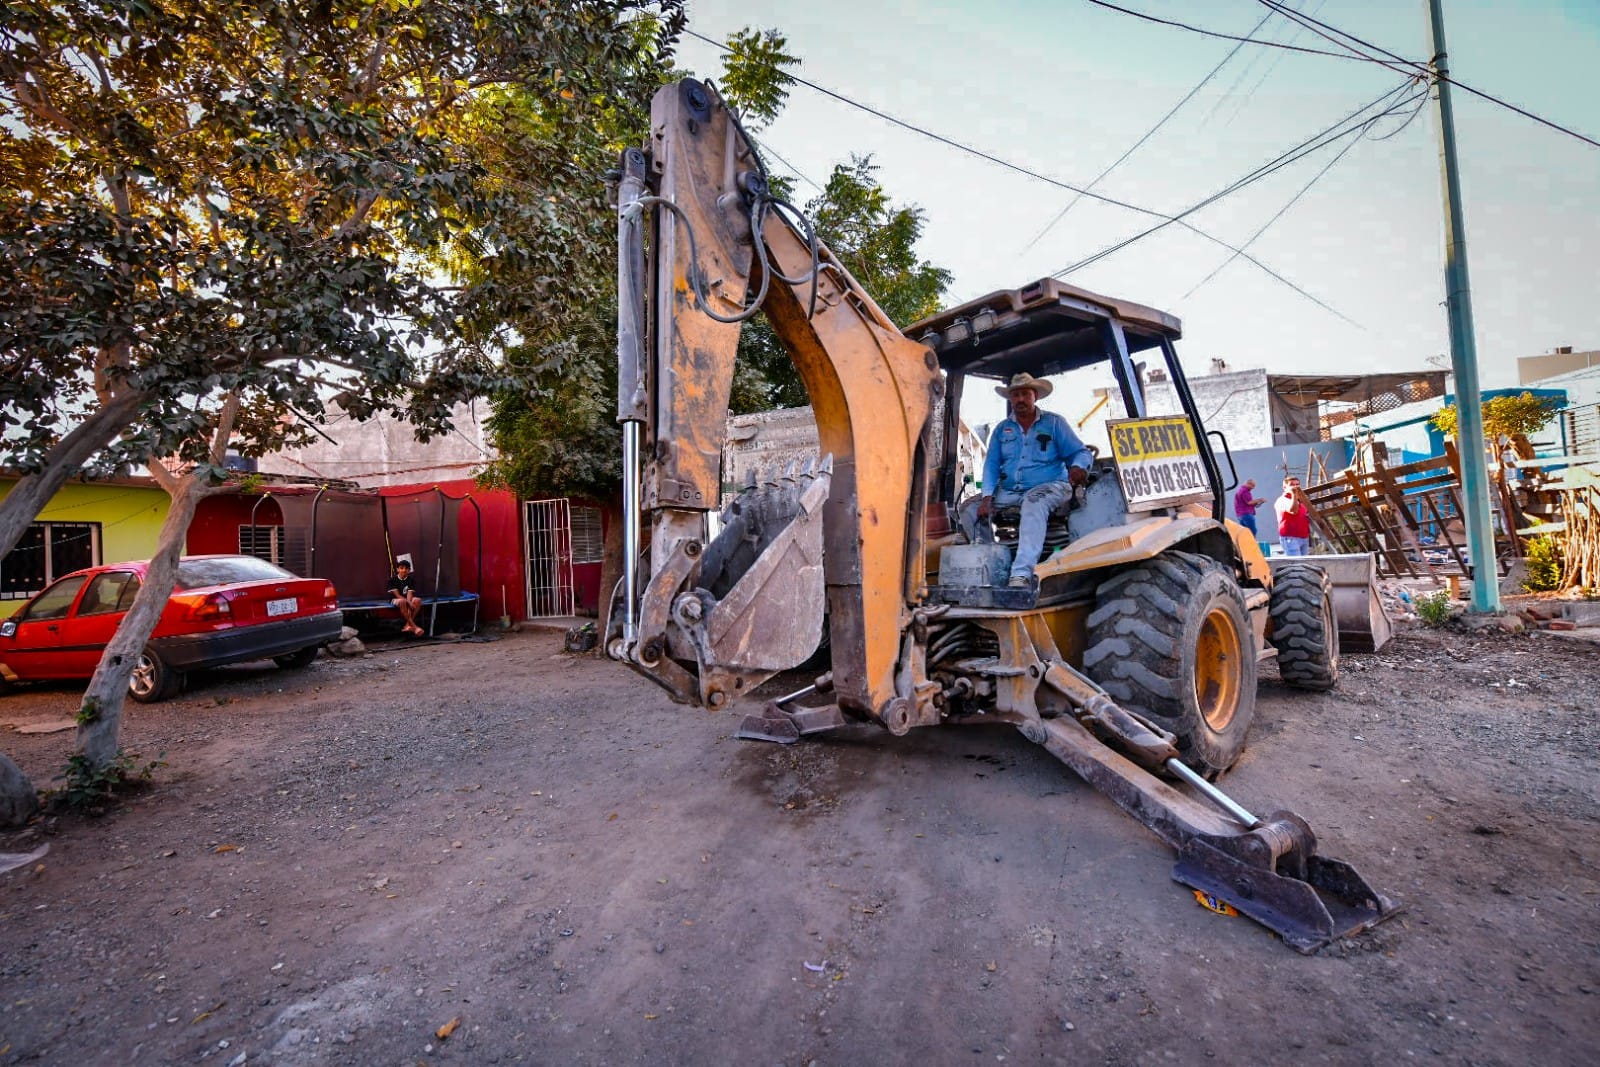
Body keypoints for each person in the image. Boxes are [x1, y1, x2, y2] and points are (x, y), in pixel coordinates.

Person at [959, 372, 1093, 588]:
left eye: (1025, 394)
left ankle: (1021, 573)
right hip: (1011, 491)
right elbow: (992, 465)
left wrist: (1078, 466)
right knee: (968, 509)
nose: (1020, 399)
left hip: (1051, 487)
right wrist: (986, 497)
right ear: (1010, 399)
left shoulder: (1054, 423)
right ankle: (993, 567)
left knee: (1033, 501)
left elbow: (1081, 452)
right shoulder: (1002, 430)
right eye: (1016, 395)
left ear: (1035, 396)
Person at [1275, 476, 1312, 557]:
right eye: (1292, 484)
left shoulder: (1301, 500)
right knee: (1296, 564)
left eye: (1297, 484)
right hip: (1291, 538)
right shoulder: (1282, 500)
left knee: (1305, 564)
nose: (1295, 487)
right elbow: (1293, 511)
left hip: (1303, 537)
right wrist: (1293, 495)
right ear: (1285, 487)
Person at [386, 559, 425, 636]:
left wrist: (409, 602)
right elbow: (397, 595)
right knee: (402, 601)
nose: (404, 570)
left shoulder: (411, 580)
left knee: (417, 600)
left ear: (409, 570)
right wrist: (409, 602)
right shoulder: (392, 580)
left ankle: (407, 625)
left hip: (406, 599)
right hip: (395, 599)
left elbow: (409, 593)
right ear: (397, 569)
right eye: (401, 568)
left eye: (406, 568)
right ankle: (414, 627)